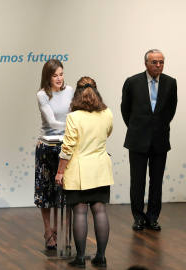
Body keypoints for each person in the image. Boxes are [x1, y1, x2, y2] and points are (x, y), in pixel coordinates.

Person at [55, 77, 114, 268]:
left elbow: (68, 147)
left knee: (79, 211)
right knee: (99, 210)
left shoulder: (74, 117)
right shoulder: (107, 113)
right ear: (97, 92)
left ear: (76, 94)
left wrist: (59, 171)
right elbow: (107, 134)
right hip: (101, 168)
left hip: (79, 170)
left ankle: (80, 258)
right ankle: (101, 256)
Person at [120, 49, 178, 231]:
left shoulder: (170, 82)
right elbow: (125, 109)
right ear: (146, 63)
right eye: (154, 62)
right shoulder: (132, 82)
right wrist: (138, 127)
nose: (158, 65)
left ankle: (153, 217)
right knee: (137, 181)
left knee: (156, 181)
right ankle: (138, 217)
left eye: (161, 62)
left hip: (160, 139)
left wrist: (158, 126)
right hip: (137, 138)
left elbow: (171, 109)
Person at [34, 59, 74, 250]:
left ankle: (60, 232)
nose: (59, 78)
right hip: (47, 146)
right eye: (54, 75)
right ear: (48, 77)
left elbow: (74, 113)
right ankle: (49, 232)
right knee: (46, 192)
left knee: (64, 192)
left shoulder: (70, 90)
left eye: (61, 74)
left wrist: (73, 127)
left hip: (66, 145)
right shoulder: (42, 94)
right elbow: (51, 122)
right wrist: (74, 125)